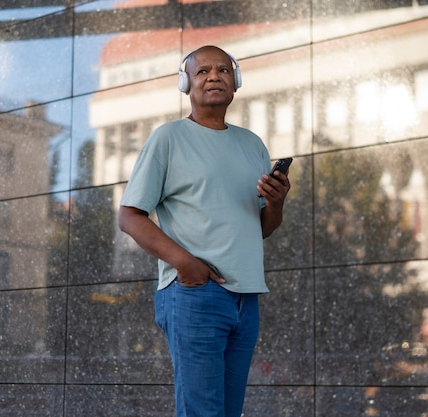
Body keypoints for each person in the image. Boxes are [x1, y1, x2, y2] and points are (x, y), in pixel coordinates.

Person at [118, 45, 290, 417]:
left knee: (228, 412)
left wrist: (276, 203)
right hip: (195, 295)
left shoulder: (252, 144)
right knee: (202, 412)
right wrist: (186, 264)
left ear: (236, 81)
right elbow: (130, 215)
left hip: (247, 298)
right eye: (202, 71)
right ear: (186, 83)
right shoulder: (168, 138)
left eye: (224, 70)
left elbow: (261, 227)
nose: (214, 76)